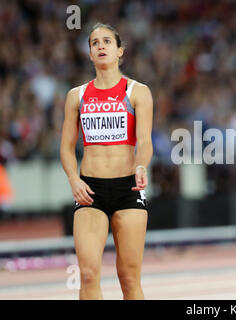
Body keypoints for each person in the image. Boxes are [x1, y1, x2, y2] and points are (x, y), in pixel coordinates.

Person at [60, 23, 153, 300]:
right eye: (94, 43)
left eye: (107, 42)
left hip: (128, 190)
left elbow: (145, 140)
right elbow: (65, 148)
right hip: (90, 191)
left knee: (129, 277)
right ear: (89, 54)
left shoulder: (137, 91)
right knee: (87, 275)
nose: (100, 46)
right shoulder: (76, 96)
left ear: (119, 51)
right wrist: (74, 179)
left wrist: (141, 165)